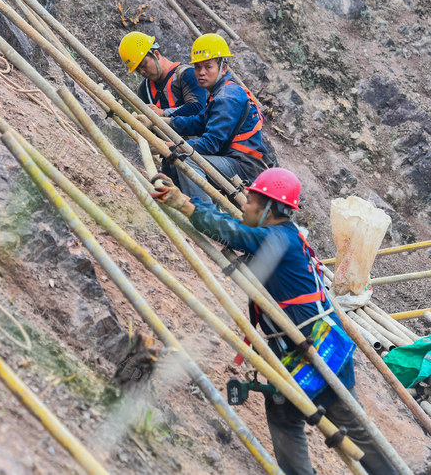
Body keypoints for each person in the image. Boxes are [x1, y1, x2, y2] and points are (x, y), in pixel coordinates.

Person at [151, 168, 398, 475]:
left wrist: (184, 205)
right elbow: (232, 226)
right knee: (285, 415)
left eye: (251, 201)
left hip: (316, 352)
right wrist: (190, 201)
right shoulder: (281, 235)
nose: (245, 205)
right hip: (303, 348)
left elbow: (235, 234)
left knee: (352, 429)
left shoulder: (279, 240)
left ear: (270, 208)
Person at [165, 33, 274, 202]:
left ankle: (203, 215)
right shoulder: (221, 92)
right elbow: (200, 122)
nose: (201, 73)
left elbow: (210, 144)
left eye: (208, 67)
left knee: (186, 161)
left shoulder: (226, 97)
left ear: (223, 68)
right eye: (197, 67)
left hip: (243, 165)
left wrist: (175, 146)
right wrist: (169, 121)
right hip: (235, 160)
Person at [118, 31, 206, 119]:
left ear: (156, 54)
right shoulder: (145, 89)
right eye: (137, 70)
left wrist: (163, 113)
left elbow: (197, 107)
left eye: (143, 65)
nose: (142, 72)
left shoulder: (187, 75)